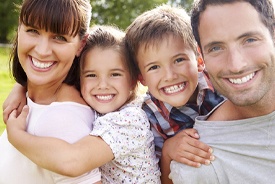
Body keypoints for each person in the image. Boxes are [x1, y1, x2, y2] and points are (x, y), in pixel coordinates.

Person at [6, 25, 161, 183]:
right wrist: (21, 86)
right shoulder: (99, 105)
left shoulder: (130, 121)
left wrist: (18, 136)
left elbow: (72, 162)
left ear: (134, 80)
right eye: (91, 75)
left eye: (115, 74)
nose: (102, 85)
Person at [166, 0, 275, 183]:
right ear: (201, 57)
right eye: (216, 48)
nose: (236, 65)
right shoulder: (201, 163)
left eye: (249, 40)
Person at [0, 0, 102, 183]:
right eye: (33, 31)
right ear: (19, 26)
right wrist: (21, 86)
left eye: (59, 37)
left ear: (81, 45)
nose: (42, 50)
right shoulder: (31, 100)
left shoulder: (63, 120)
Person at [124, 4, 225, 183]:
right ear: (142, 78)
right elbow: (161, 179)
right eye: (154, 67)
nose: (170, 76)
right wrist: (168, 152)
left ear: (199, 60)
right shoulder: (148, 117)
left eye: (179, 60)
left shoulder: (220, 82)